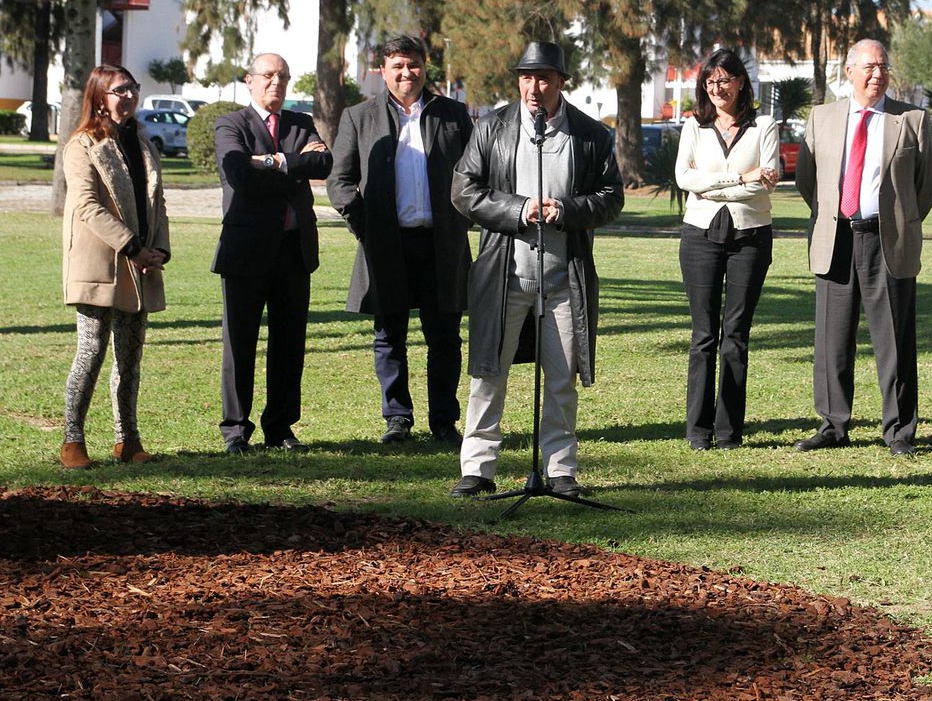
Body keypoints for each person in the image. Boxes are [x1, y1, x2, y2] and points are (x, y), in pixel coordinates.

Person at [448, 42, 624, 498]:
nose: (533, 87)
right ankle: (478, 468)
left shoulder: (590, 135)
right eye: (526, 77)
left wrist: (565, 210)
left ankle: (561, 469)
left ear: (561, 82)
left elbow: (611, 197)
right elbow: (464, 191)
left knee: (562, 378)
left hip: (564, 278)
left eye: (544, 78)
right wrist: (518, 209)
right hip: (504, 275)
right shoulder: (491, 128)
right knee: (488, 374)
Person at [794, 38, 932, 457]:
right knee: (832, 340)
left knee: (894, 340)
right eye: (869, 67)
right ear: (849, 72)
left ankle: (899, 431)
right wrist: (833, 214)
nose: (877, 74)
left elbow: (926, 184)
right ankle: (832, 424)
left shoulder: (911, 120)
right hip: (836, 238)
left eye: (883, 67)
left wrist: (900, 220)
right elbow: (808, 180)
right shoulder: (822, 118)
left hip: (888, 240)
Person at [328, 35, 473, 447]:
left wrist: (462, 219)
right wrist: (365, 226)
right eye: (397, 66)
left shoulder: (453, 114)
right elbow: (340, 181)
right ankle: (397, 418)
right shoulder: (359, 117)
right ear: (383, 71)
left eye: (413, 64)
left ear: (425, 66)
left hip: (441, 245)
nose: (406, 73)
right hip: (386, 245)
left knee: (444, 336)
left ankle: (444, 421)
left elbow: (475, 173)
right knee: (389, 335)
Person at [211, 53, 332, 453]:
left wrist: (272, 161)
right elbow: (240, 176)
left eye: (283, 75)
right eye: (268, 75)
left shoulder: (299, 122)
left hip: (294, 251)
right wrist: (294, 167)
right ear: (249, 80)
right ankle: (235, 430)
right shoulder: (231, 124)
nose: (275, 82)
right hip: (246, 251)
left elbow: (323, 163)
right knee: (239, 344)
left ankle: (280, 428)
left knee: (289, 344)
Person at [59, 65, 170, 469]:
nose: (129, 95)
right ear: (100, 98)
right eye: (120, 89)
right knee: (91, 351)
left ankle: (128, 440)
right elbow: (87, 206)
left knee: (129, 357)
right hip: (100, 262)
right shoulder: (82, 145)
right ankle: (72, 440)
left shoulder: (142, 143)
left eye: (133, 88)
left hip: (140, 264)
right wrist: (133, 247)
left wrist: (159, 250)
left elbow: (157, 202)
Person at [674, 48, 780, 450]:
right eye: (710, 81)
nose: (717, 88)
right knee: (703, 335)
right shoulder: (693, 126)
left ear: (740, 82)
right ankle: (698, 430)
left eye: (724, 80)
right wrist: (740, 177)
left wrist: (712, 184)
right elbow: (684, 178)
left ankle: (728, 430)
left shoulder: (764, 126)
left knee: (736, 334)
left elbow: (764, 184)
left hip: (750, 236)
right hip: (700, 235)